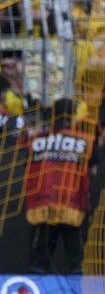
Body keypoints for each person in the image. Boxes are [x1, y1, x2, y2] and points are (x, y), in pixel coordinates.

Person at [24, 98, 99, 274]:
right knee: (76, 261)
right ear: (72, 116)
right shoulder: (85, 141)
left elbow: (27, 165)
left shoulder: (35, 140)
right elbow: (94, 170)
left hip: (44, 205)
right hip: (72, 205)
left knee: (39, 262)